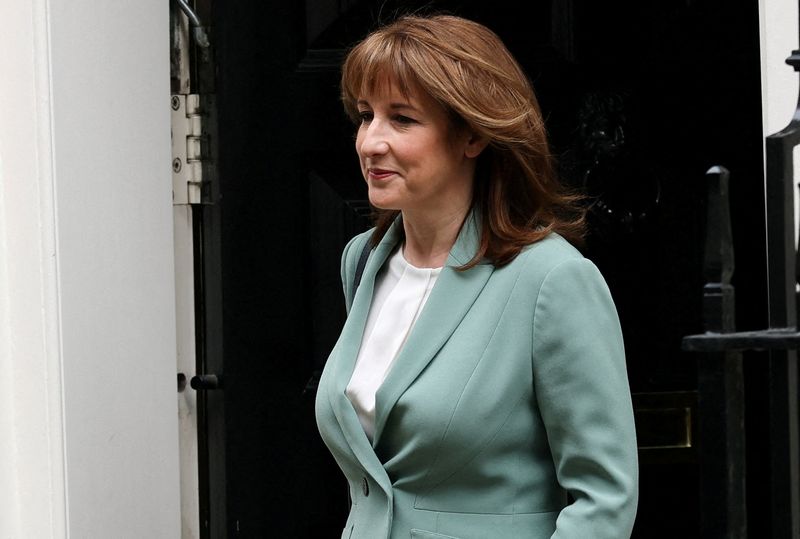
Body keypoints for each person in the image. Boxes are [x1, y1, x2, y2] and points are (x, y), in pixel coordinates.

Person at [315, 13, 638, 539]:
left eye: (402, 119)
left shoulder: (551, 280)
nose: (370, 142)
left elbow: (604, 500)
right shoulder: (364, 261)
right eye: (366, 115)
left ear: (471, 134)